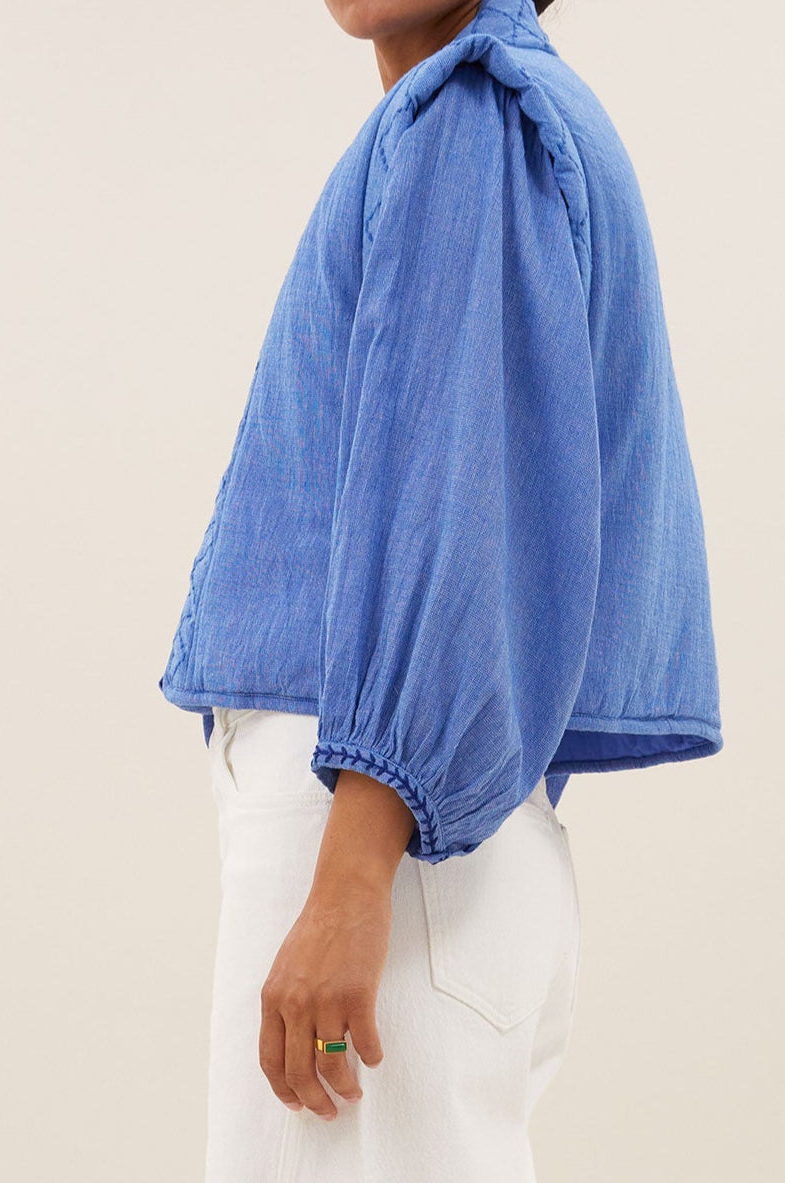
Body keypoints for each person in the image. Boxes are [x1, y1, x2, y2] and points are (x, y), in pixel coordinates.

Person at [158, 1, 724, 1178]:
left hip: (375, 828)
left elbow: (451, 500)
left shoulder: (471, 117)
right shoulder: (514, 121)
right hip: (429, 841)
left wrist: (352, 875)